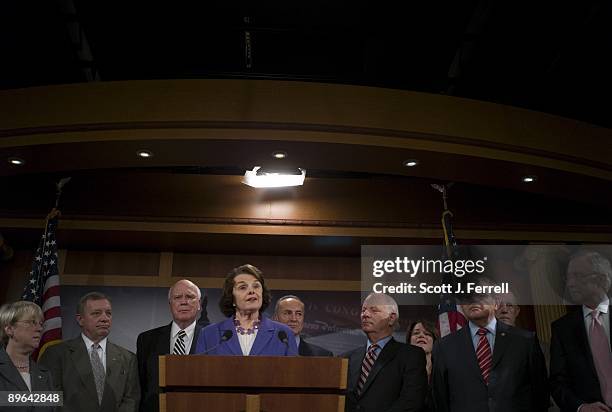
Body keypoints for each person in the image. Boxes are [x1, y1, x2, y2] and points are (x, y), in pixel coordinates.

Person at [432, 278, 549, 412]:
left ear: (496, 303)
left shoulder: (525, 341)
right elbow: (440, 400)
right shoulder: (444, 347)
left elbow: (541, 395)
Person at [39, 292, 139, 412]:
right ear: (80, 319)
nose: (105, 318)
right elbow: (49, 397)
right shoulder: (56, 353)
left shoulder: (128, 358)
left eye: (108, 313)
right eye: (96, 313)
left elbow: (131, 400)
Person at [550, 250, 612, 412]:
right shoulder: (562, 329)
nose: (570, 284)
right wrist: (581, 407)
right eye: (568, 277)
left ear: (601, 279)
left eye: (577, 276)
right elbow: (558, 382)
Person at [344, 293, 427, 412]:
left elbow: (411, 402)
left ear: (391, 318)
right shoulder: (347, 358)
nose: (365, 315)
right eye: (363, 310)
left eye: (374, 310)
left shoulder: (411, 356)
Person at [195, 264, 298, 356]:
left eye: (256, 286)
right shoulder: (209, 334)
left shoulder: (283, 334)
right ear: (232, 298)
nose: (251, 291)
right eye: (243, 287)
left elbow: (293, 374)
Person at [136, 279, 204, 412]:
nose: (184, 302)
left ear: (199, 304)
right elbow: (140, 387)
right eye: (178, 297)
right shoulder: (147, 340)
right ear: (170, 304)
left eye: (190, 297)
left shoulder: (214, 338)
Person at [0, 301, 55, 411]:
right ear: (10, 329)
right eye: (32, 322)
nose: (39, 329)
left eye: (40, 323)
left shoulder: (44, 374)